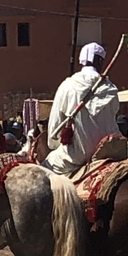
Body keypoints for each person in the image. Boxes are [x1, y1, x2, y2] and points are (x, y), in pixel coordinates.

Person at [42, 42, 120, 177]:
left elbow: (53, 132)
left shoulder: (67, 86)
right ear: (100, 61)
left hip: (76, 157)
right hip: (108, 153)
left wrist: (55, 145)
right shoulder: (111, 89)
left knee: (44, 169)